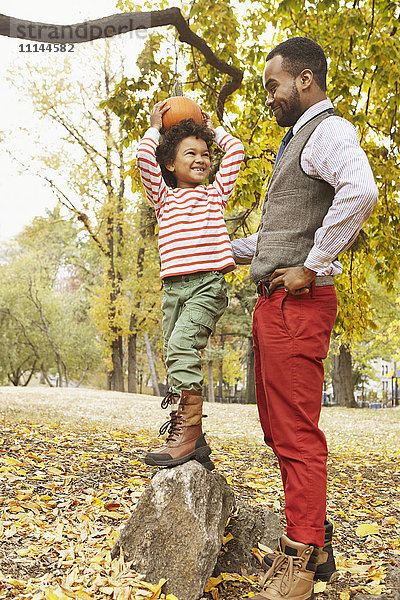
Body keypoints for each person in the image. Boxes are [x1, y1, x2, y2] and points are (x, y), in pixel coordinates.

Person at [231, 37, 378, 600]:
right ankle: (316, 546)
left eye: (273, 85)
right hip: (275, 302)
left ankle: (300, 562)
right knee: (277, 428)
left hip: (299, 304)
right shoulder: (297, 141)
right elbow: (275, 238)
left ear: (305, 81)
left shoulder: (330, 131)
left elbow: (360, 191)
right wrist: (218, 246)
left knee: (295, 434)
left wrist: (315, 265)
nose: (268, 95)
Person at [137, 100, 244, 471]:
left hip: (206, 285)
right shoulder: (163, 198)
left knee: (182, 346)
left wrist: (211, 129)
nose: (201, 159)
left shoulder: (214, 194)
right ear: (170, 163)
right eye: (190, 153)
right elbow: (143, 158)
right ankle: (189, 432)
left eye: (204, 154)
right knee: (173, 353)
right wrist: (156, 127)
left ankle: (189, 435)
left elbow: (237, 151)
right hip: (173, 290)